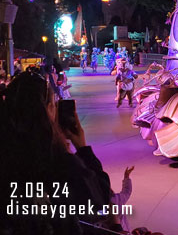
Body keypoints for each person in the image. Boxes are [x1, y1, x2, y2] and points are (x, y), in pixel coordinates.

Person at [0, 72, 111, 234]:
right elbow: (99, 202)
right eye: (54, 103)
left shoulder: (7, 161)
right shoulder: (61, 165)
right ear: (48, 110)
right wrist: (82, 149)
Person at [111, 166, 134, 232]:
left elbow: (127, 191)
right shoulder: (117, 199)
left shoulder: (117, 199)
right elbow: (127, 191)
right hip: (123, 230)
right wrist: (126, 176)